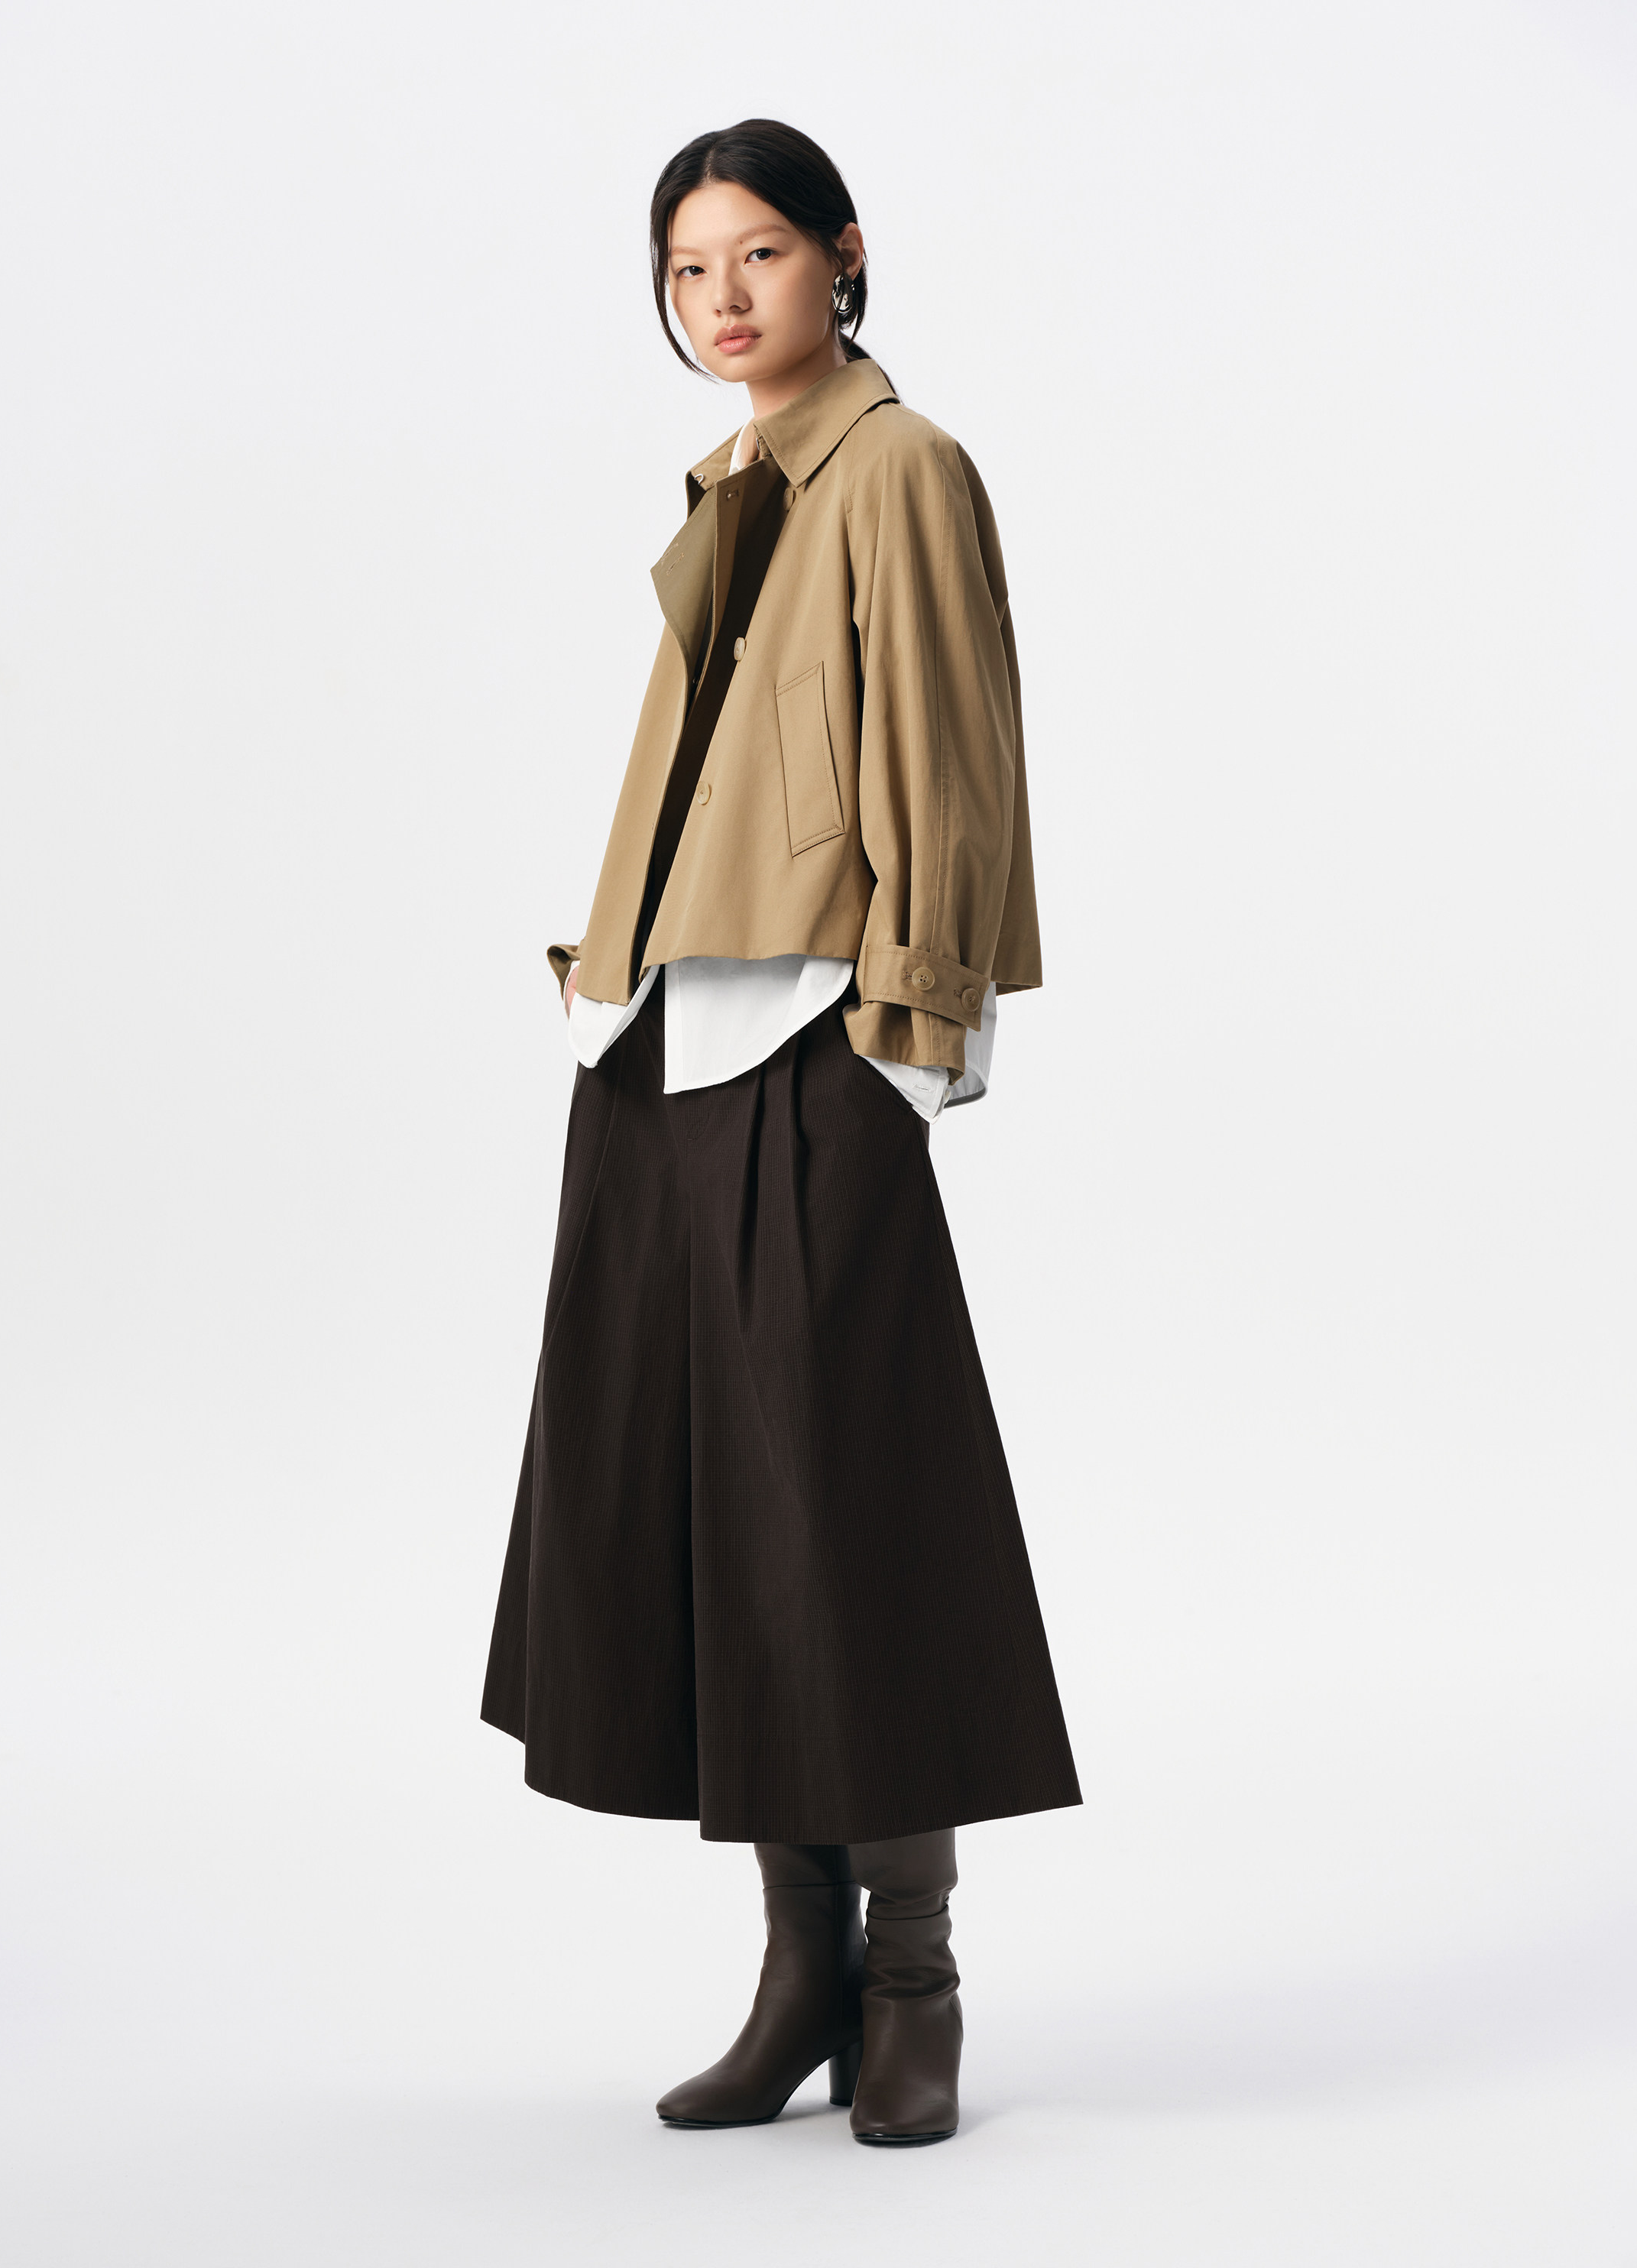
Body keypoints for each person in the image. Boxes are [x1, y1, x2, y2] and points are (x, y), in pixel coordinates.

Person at [481, 118, 1078, 2148]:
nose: (721, 297)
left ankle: (913, 1980)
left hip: (817, 1045)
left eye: (756, 254)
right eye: (686, 268)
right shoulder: (737, 476)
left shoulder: (900, 467)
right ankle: (800, 1968)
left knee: (853, 1526)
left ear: (843, 254)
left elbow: (951, 753)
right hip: (664, 1048)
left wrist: (913, 1039)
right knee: (728, 1533)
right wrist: (612, 1009)